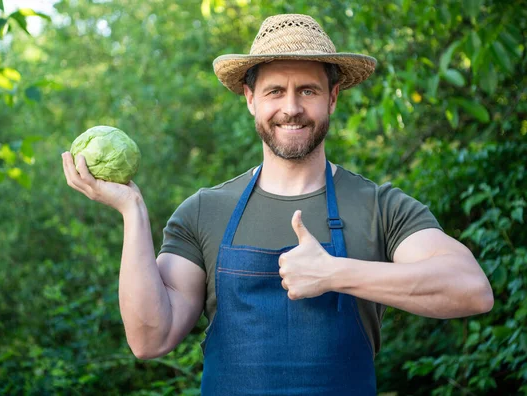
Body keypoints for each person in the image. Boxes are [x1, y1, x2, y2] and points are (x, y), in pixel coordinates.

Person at [62, 13, 494, 396]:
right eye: (275, 91)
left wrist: (336, 273)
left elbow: (470, 289)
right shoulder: (204, 211)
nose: (291, 108)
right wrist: (132, 212)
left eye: (307, 90)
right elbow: (150, 339)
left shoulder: (380, 206)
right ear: (250, 99)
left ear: (333, 98)